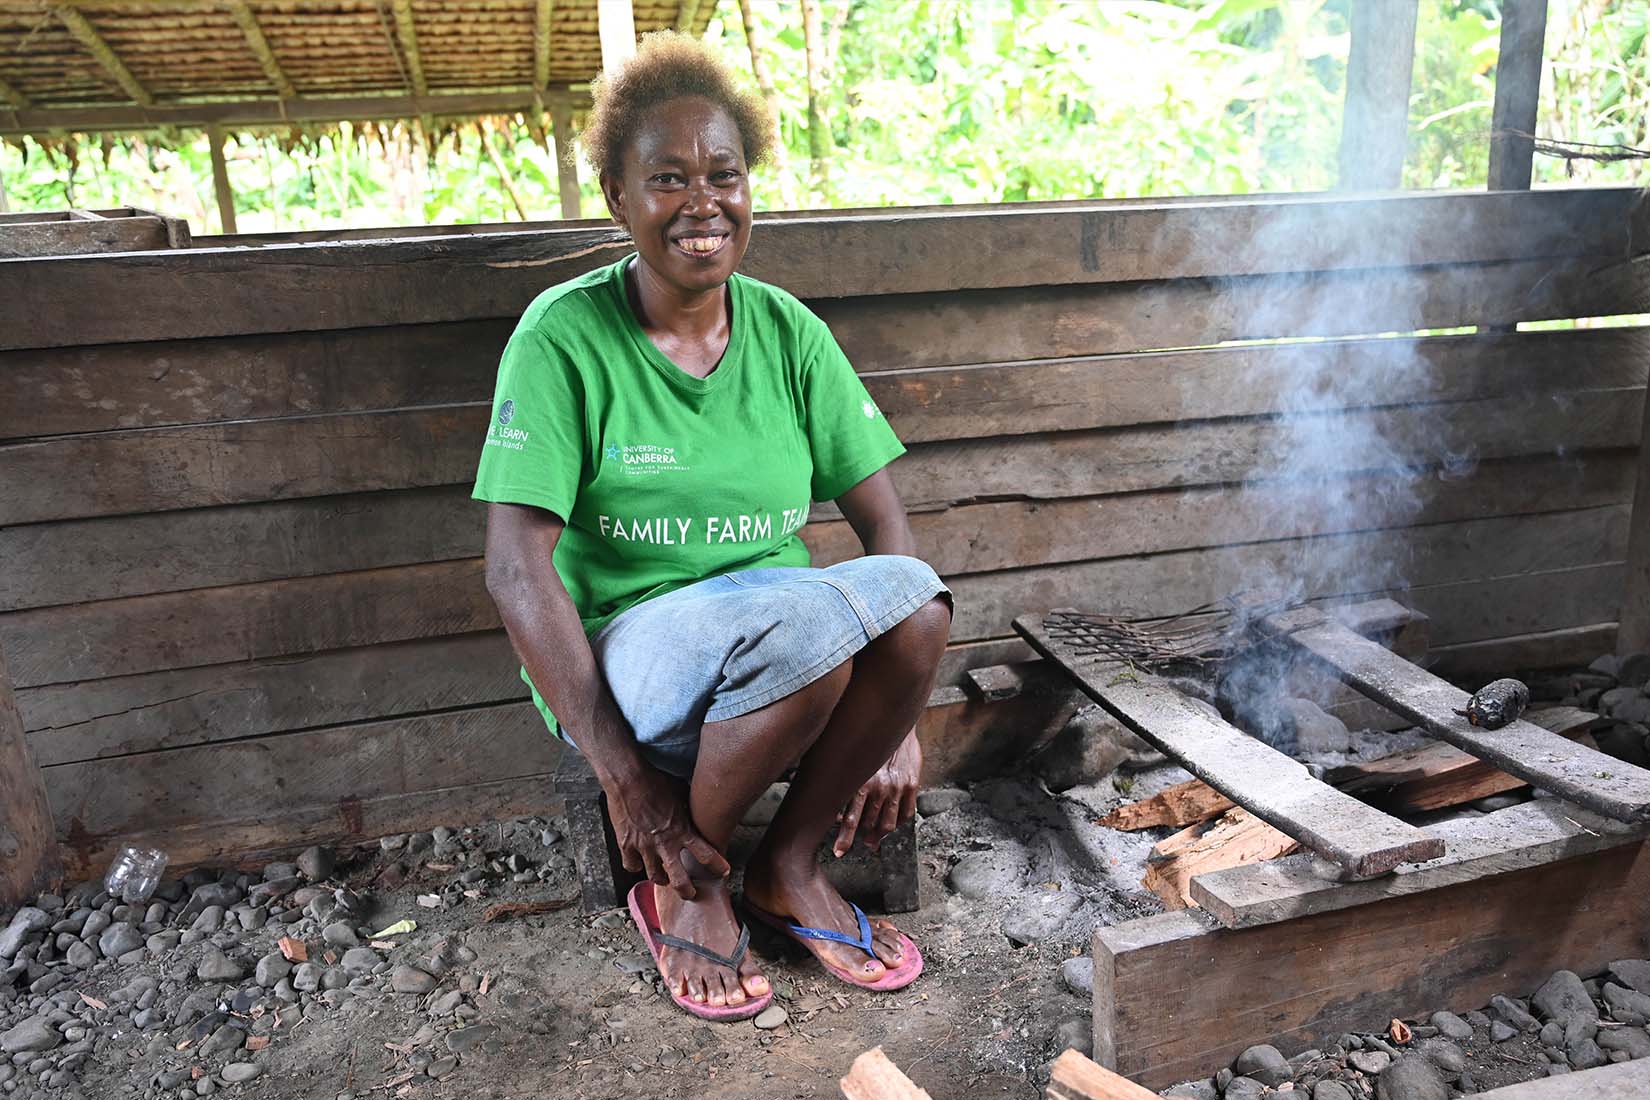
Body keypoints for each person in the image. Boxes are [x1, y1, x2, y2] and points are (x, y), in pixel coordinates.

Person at [473, 32, 951, 1022]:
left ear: (750, 186)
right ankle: (689, 882)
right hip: (634, 644)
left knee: (920, 610)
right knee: (812, 644)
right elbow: (516, 568)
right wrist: (622, 778)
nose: (704, 201)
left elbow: (888, 529)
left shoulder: (787, 331)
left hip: (774, 627)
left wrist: (900, 723)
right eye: (668, 178)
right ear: (617, 196)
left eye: (724, 174)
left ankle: (785, 864)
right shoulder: (562, 337)